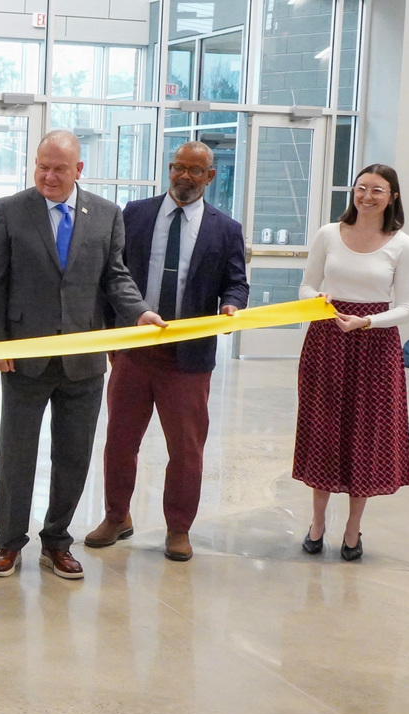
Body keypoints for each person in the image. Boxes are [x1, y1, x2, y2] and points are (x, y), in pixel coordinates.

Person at [0, 130, 165, 581]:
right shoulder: (9, 210)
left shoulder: (106, 214)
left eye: (59, 168)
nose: (48, 175)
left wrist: (138, 312)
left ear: (78, 169)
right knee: (17, 454)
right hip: (26, 357)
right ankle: (9, 543)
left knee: (73, 454)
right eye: (42, 166)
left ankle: (57, 541)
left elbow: (115, 277)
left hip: (83, 360)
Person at [83, 141, 249, 561]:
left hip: (188, 359)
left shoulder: (225, 228)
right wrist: (112, 337)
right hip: (135, 351)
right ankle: (116, 516)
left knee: (186, 449)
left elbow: (236, 281)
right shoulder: (135, 213)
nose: (184, 177)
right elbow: (111, 275)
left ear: (210, 177)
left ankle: (179, 529)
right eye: (178, 168)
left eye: (195, 171)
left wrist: (232, 304)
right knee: (120, 441)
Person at [294, 164, 409, 561]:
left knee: (366, 435)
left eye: (377, 190)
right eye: (361, 188)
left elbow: (408, 307)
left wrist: (368, 321)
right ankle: (317, 524)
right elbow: (306, 285)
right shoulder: (328, 234)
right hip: (327, 339)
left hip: (375, 345)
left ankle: (351, 530)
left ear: (392, 197)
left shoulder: (403, 244)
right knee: (324, 431)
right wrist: (320, 301)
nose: (367, 196)